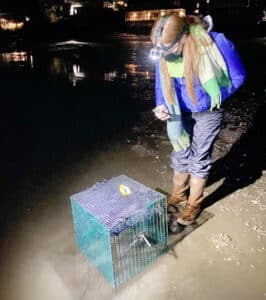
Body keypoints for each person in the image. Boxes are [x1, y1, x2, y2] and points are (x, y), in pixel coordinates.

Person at [150, 13, 246, 227]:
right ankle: (178, 194)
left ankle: (194, 203)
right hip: (178, 110)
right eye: (162, 52)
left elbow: (238, 76)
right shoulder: (164, 49)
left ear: (184, 37)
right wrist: (161, 105)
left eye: (170, 51)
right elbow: (160, 83)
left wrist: (214, 97)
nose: (166, 56)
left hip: (209, 110)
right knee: (180, 150)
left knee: (199, 157)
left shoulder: (216, 42)